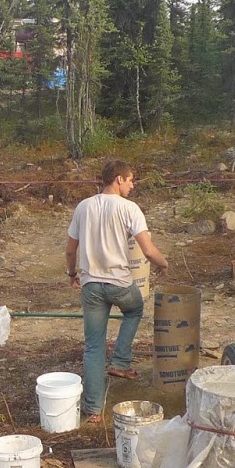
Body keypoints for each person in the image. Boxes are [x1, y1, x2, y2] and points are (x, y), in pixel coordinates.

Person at [64, 159, 169, 423]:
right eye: (131, 180)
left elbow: (70, 249)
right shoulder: (129, 209)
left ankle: (93, 410)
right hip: (119, 283)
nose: (132, 185)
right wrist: (163, 263)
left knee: (93, 346)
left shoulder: (83, 207)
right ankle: (121, 362)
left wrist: (71, 274)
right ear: (118, 179)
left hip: (90, 286)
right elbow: (147, 249)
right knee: (134, 309)